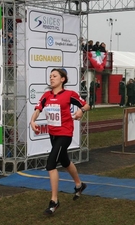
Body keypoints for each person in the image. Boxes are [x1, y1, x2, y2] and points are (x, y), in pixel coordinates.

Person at [29, 68, 90, 215]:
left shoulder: (69, 94)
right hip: (53, 134)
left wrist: (81, 110)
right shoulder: (46, 95)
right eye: (50, 76)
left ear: (63, 79)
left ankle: (54, 201)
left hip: (65, 134)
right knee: (64, 161)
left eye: (55, 76)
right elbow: (38, 108)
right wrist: (32, 120)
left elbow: (86, 105)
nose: (51, 78)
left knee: (50, 164)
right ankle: (79, 185)